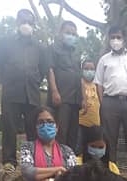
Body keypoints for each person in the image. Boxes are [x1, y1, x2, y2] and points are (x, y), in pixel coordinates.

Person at [0, 9, 49, 166]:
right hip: (11, 92)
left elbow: (43, 68)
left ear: (34, 25)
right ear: (17, 22)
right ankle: (9, 162)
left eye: (30, 22)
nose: (26, 24)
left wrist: (35, 81)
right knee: (9, 128)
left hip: (32, 93)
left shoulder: (39, 47)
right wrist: (8, 79)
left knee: (33, 129)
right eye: (23, 21)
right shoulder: (6, 42)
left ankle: (33, 161)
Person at [95, 26, 127, 177]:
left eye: (118, 37)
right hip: (110, 102)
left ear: (124, 39)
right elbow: (99, 83)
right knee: (109, 139)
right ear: (109, 39)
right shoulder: (104, 60)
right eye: (113, 37)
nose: (115, 40)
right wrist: (102, 102)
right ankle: (109, 173)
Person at [48, 21, 83, 150]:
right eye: (68, 33)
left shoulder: (76, 53)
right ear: (60, 33)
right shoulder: (53, 49)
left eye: (73, 34)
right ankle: (58, 160)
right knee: (61, 132)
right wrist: (54, 91)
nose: (71, 36)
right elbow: (50, 70)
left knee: (73, 134)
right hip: (61, 97)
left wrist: (83, 98)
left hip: (75, 100)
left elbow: (79, 76)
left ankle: (70, 160)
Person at [78, 60, 101, 151]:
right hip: (80, 123)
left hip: (95, 125)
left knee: (92, 150)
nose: (89, 71)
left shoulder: (97, 85)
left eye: (92, 69)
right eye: (86, 69)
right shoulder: (79, 83)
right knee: (79, 148)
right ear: (82, 70)